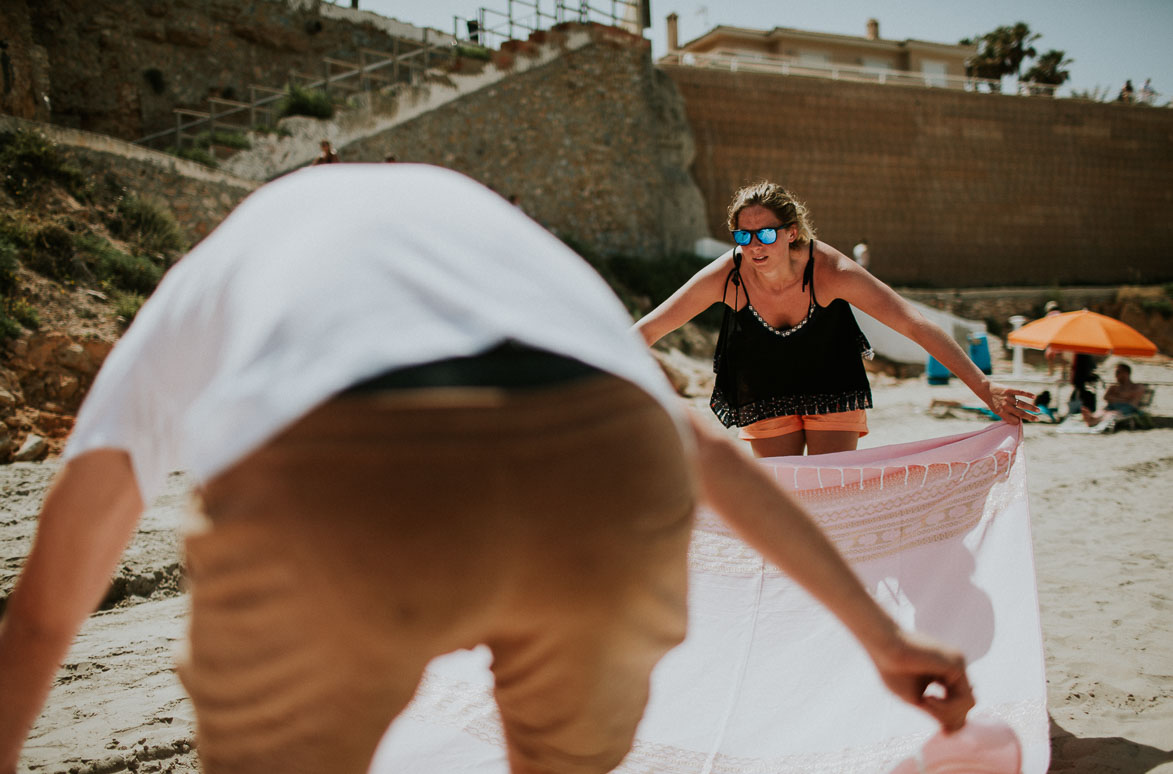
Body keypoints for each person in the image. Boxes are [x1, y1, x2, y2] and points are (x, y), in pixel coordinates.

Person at [0, 165, 974, 774]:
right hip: (604, 460)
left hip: (341, 465)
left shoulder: (224, 259)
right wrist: (883, 636)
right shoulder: (505, 247)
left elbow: (47, 608)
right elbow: (709, 457)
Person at [634, 181, 1036, 457]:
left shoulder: (831, 271)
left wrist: (983, 387)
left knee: (831, 493)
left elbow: (914, 324)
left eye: (766, 234)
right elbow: (650, 328)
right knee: (785, 502)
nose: (754, 245)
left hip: (831, 380)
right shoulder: (730, 276)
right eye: (743, 236)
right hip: (764, 385)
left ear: (791, 233)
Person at [1082, 362, 1146, 426]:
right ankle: (1092, 418)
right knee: (1102, 411)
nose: (1115, 375)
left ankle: (1094, 421)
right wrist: (1123, 398)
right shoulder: (1114, 387)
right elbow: (1106, 397)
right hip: (1112, 406)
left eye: (1118, 372)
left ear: (1126, 373)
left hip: (1128, 408)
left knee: (1112, 414)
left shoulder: (1137, 386)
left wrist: (1116, 397)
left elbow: (1132, 400)